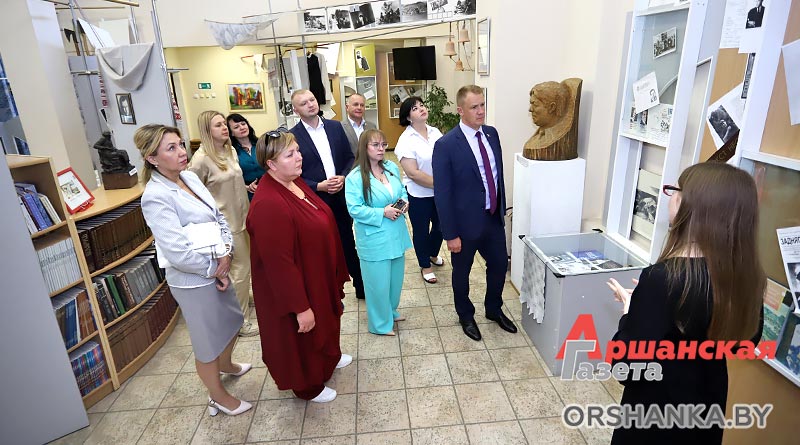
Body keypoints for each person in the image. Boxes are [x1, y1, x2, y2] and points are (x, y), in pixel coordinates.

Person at [607, 162, 765, 444]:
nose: (670, 197)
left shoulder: (661, 279)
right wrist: (650, 308)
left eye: (674, 190)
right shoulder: (746, 276)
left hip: (657, 416)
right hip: (707, 406)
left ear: (690, 206)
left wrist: (630, 312)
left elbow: (626, 367)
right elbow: (745, 343)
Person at [136, 124, 252, 417]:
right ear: (152, 158)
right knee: (207, 341)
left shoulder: (188, 177)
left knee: (233, 320)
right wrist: (216, 269)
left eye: (180, 144)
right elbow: (177, 252)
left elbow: (217, 217)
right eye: (171, 148)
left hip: (217, 265)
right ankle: (218, 396)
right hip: (193, 280)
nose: (181, 152)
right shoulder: (155, 196)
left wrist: (227, 252)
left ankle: (226, 365)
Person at [247, 129, 352, 403]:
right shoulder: (268, 203)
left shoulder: (294, 182)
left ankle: (329, 359)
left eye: (297, 150)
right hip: (299, 284)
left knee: (326, 320)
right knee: (304, 332)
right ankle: (308, 386)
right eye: (289, 154)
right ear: (271, 164)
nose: (299, 157)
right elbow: (279, 266)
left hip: (315, 273)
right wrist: (300, 307)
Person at [432, 85, 517, 341]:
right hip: (464, 225)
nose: (481, 111)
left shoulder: (491, 134)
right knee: (462, 273)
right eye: (474, 107)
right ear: (460, 110)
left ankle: (493, 309)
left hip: (492, 219)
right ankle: (466, 316)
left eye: (482, 105)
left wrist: (500, 210)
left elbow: (497, 177)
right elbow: (443, 194)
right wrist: (450, 234)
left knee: (499, 265)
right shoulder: (446, 145)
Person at [289, 89, 366, 300]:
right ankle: (329, 291)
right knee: (320, 246)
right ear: (295, 110)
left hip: (340, 195)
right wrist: (318, 186)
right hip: (314, 198)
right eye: (304, 103)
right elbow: (293, 174)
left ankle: (360, 285)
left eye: (312, 100)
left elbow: (349, 158)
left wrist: (343, 177)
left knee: (347, 241)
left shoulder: (335, 127)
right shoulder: (292, 136)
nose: (310, 104)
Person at [189, 110, 258, 337]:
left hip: (243, 217)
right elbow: (192, 195)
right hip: (226, 224)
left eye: (223, 124)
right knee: (239, 270)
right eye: (218, 125)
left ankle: (242, 301)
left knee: (245, 267)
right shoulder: (200, 160)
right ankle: (240, 322)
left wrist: (247, 188)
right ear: (207, 131)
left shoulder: (229, 151)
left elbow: (233, 181)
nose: (224, 128)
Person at [345, 129, 412, 336]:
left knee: (395, 280)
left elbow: (401, 191)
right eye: (375, 145)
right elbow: (355, 209)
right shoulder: (355, 177)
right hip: (374, 238)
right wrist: (382, 212)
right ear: (364, 148)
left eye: (383, 144)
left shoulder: (390, 167)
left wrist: (403, 202)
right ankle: (380, 324)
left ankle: (390, 311)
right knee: (378, 284)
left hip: (396, 233)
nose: (381, 149)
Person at [394, 96, 445, 284]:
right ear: (408, 117)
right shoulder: (405, 140)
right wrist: (441, 184)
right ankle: (425, 265)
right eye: (415, 108)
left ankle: (432, 253)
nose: (421, 109)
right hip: (418, 194)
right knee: (421, 230)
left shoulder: (435, 132)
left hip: (439, 192)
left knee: (441, 226)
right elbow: (413, 173)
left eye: (422, 105)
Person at [227, 113, 264, 200]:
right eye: (236, 127)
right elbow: (231, 178)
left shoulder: (261, 144)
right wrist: (247, 187)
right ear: (231, 133)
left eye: (243, 124)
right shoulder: (231, 151)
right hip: (246, 193)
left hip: (268, 187)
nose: (242, 127)